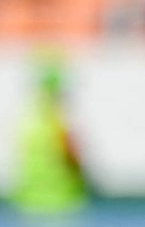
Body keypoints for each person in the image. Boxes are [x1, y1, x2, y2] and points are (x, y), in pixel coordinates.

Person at [12, 55, 92, 216]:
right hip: (62, 204)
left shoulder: (26, 122)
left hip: (29, 204)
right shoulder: (61, 125)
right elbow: (74, 158)